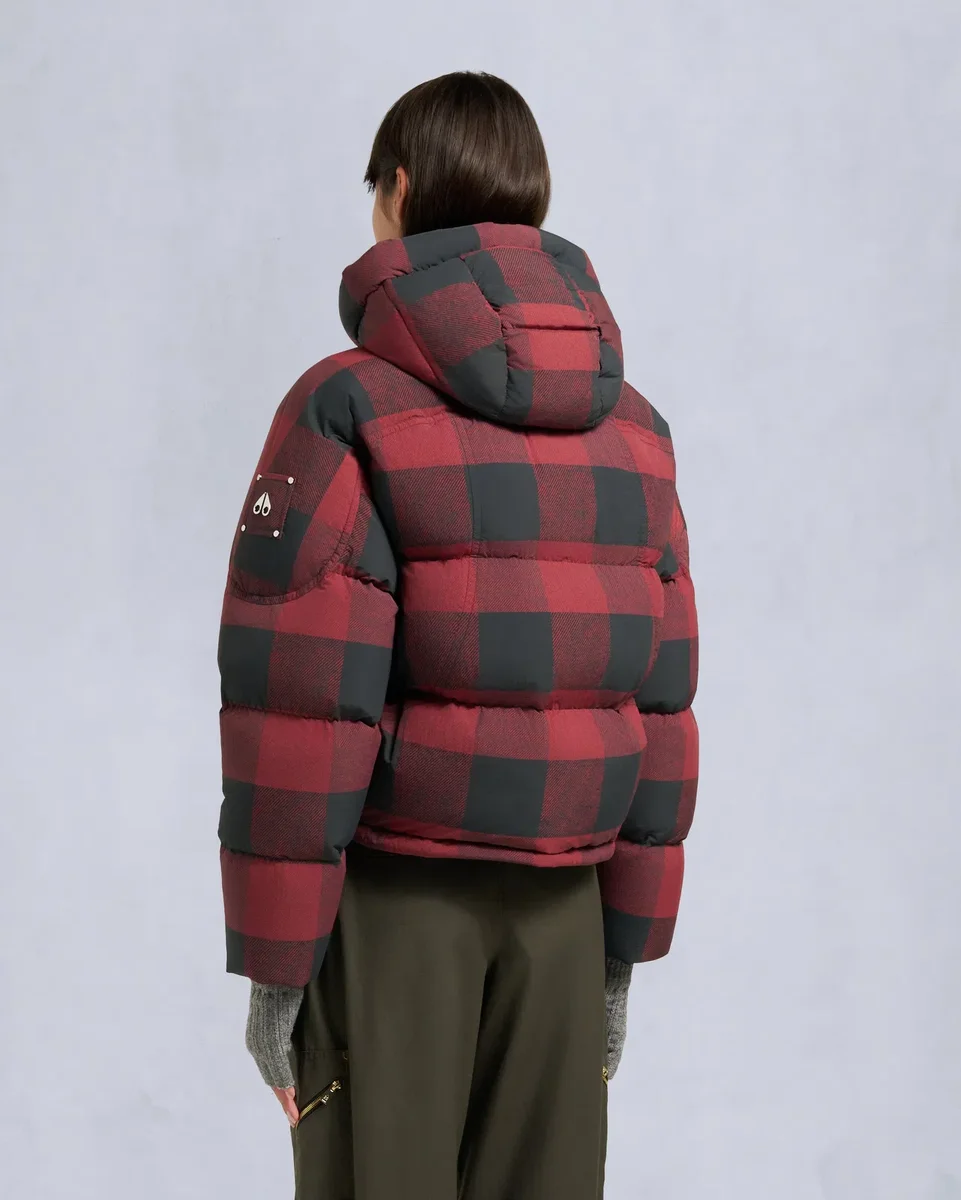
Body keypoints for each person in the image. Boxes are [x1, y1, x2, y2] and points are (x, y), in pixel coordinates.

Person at [217, 70, 699, 1200]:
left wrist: (279, 973)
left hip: (395, 910)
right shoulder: (637, 432)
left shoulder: (346, 405)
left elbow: (300, 693)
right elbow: (662, 704)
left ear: (399, 189)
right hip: (568, 915)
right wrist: (618, 954)